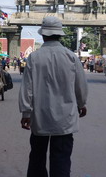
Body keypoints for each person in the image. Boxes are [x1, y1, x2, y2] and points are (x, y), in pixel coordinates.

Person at [19, 16, 88, 177]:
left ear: (43, 35)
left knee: (37, 157)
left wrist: (26, 113)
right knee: (61, 158)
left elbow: (27, 88)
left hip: (39, 116)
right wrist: (81, 103)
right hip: (65, 118)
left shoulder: (34, 57)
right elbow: (80, 84)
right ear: (60, 34)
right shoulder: (71, 57)